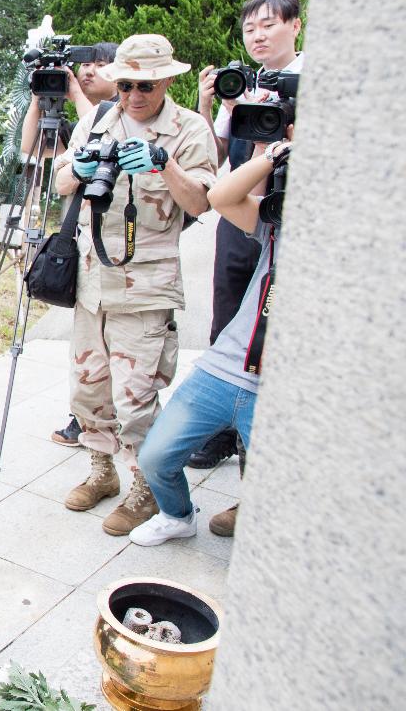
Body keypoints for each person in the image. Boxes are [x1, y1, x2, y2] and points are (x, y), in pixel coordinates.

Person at [53, 34, 217, 536]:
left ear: (167, 80)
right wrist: (75, 170)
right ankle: (101, 473)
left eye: (144, 85)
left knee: (136, 397)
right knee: (89, 388)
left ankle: (146, 489)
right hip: (91, 281)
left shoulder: (189, 130)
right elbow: (60, 182)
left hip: (145, 287)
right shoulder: (100, 117)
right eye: (125, 84)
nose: (133, 96)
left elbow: (201, 204)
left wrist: (163, 165)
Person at [131, 137, 291, 546]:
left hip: (282, 389)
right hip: (223, 369)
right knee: (155, 456)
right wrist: (275, 154)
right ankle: (177, 515)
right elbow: (221, 196)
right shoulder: (279, 224)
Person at [188, 0, 305, 477]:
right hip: (241, 215)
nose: (257, 35)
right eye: (250, 28)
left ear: (295, 26)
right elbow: (215, 151)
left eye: (269, 25)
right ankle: (222, 431)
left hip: (295, 216)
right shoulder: (243, 84)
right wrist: (210, 99)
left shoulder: (315, 79)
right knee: (227, 313)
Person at [17, 42, 120, 450]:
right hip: (79, 237)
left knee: (113, 341)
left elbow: (98, 136)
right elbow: (32, 150)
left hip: (114, 241)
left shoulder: (120, 110)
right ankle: (87, 417)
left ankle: (108, 420)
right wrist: (38, 98)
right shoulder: (71, 116)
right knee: (88, 342)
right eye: (85, 66)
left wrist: (76, 92)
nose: (90, 71)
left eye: (99, 64)